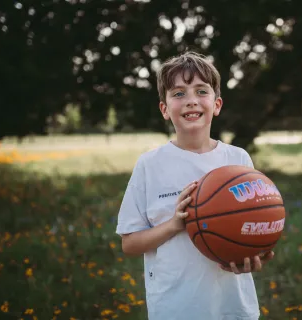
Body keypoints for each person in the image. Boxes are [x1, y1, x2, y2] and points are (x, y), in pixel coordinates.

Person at [115, 51, 274, 320]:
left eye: (201, 91)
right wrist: (175, 224)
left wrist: (255, 249)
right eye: (178, 94)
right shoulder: (150, 165)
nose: (191, 101)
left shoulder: (238, 160)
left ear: (217, 104)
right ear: (164, 109)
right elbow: (129, 243)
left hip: (233, 307)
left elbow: (255, 223)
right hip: (175, 308)